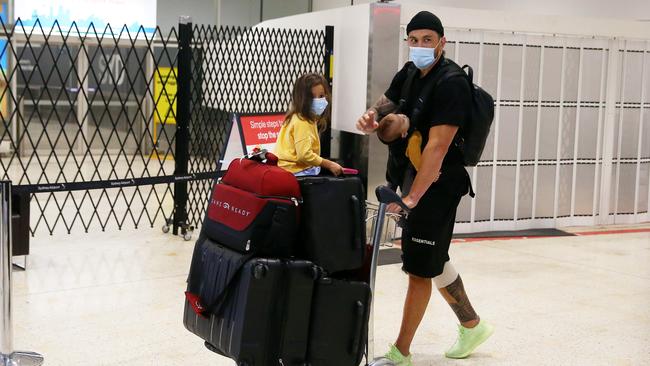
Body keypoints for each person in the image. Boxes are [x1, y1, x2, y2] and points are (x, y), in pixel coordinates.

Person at [357, 11, 494, 365]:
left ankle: (400, 352)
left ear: (442, 42)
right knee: (434, 257)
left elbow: (437, 148)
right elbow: (387, 101)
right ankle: (472, 324)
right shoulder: (410, 71)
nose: (419, 46)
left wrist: (411, 198)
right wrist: (371, 115)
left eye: (427, 40)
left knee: (419, 268)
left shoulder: (450, 84)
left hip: (438, 185)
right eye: (413, 39)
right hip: (414, 177)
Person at [275, 73, 343, 176]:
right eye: (312, 97)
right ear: (302, 99)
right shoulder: (303, 121)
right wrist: (329, 164)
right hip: (296, 171)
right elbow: (304, 155)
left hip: (285, 169)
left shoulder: (296, 116)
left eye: (321, 96)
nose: (318, 100)